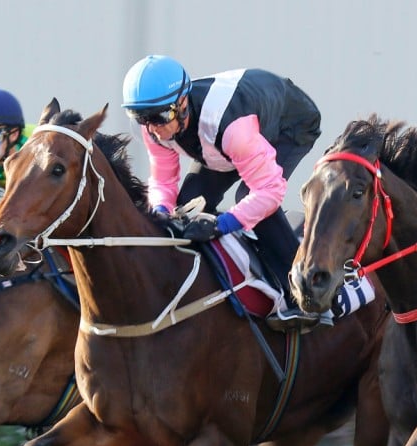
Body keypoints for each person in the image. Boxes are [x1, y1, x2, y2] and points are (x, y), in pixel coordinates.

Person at [120, 55, 324, 333]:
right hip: (222, 140)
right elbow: (162, 181)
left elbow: (270, 191)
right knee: (184, 207)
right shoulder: (155, 128)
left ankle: (303, 296)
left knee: (248, 199)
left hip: (287, 125)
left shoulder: (231, 130)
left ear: (182, 104)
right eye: (141, 119)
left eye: (158, 117)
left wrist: (221, 224)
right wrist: (160, 213)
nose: (153, 128)